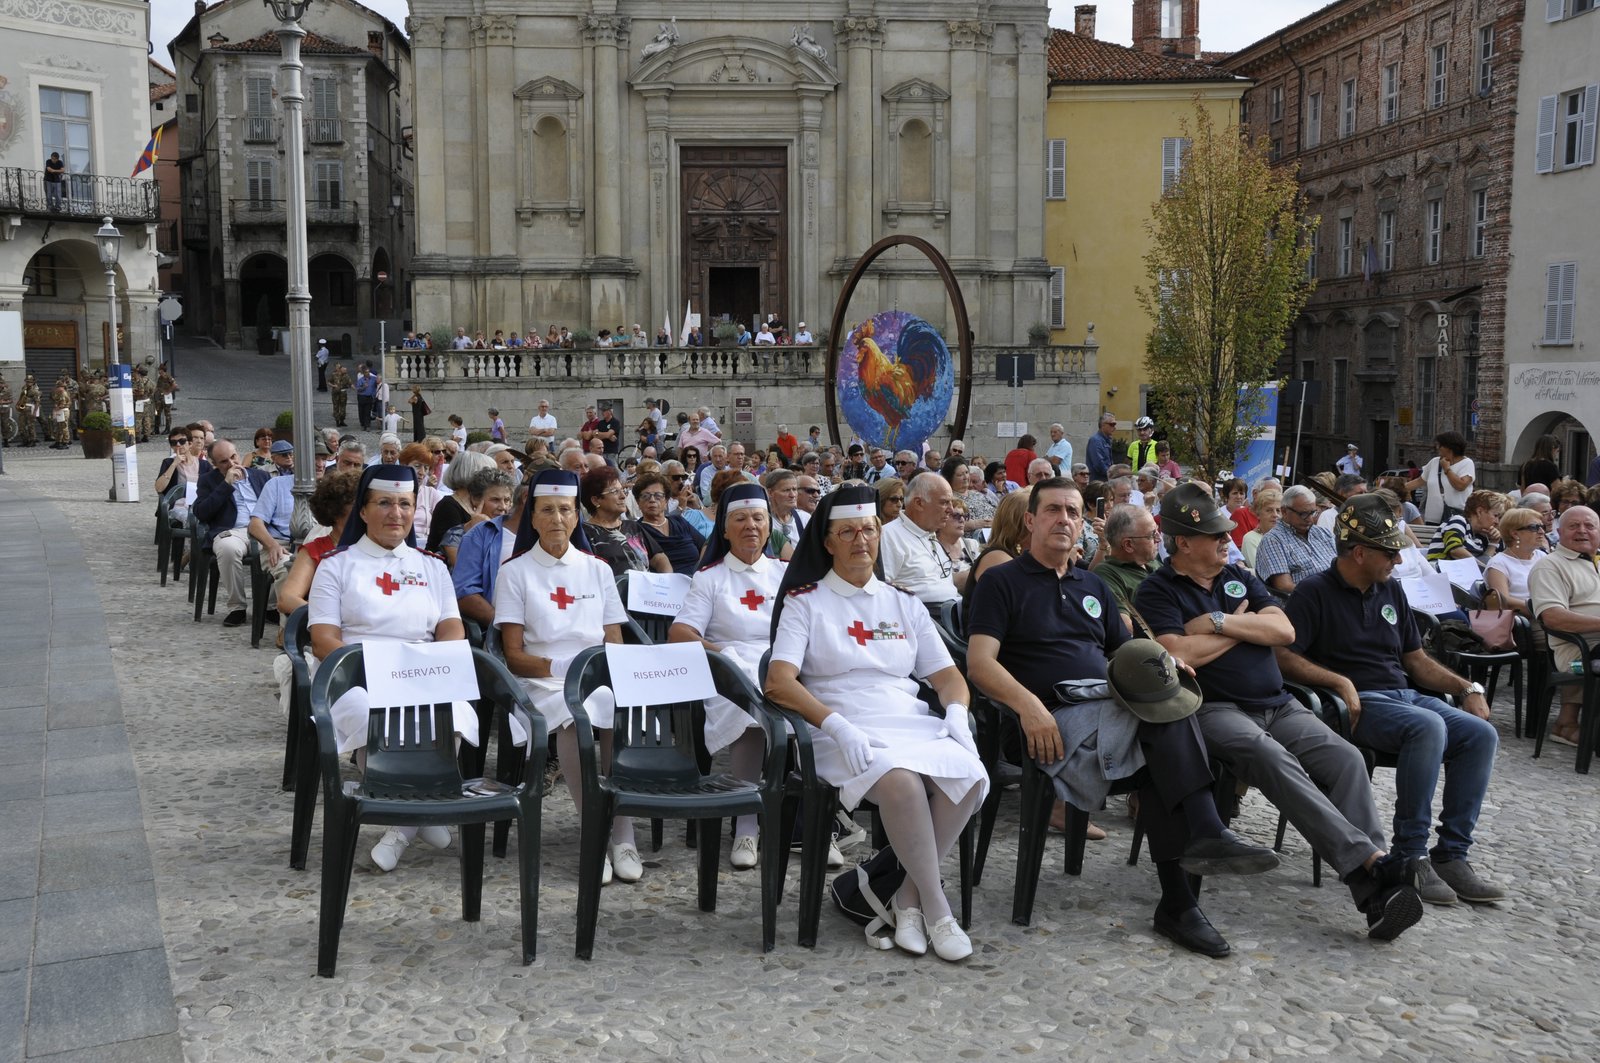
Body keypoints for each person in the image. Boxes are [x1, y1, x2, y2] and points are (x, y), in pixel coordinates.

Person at [966, 477, 1278, 958]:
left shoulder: (1090, 585)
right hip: (1046, 720)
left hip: (1110, 710)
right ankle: (1200, 852)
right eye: (1052, 510)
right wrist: (1029, 707)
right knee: (1165, 726)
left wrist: (1164, 663)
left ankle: (1183, 896)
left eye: (1073, 511)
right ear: (1030, 521)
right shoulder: (1002, 583)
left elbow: (1123, 650)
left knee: (1170, 711)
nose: (1064, 520)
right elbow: (980, 664)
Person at [1132, 484, 1428, 941]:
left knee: (1347, 760)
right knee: (1272, 758)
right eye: (1215, 535)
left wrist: (1218, 623)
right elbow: (1174, 649)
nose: (1227, 540)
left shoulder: (1238, 577)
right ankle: (1375, 871)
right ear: (1184, 542)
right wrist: (1248, 628)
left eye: (1226, 532)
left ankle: (1374, 886)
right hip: (1213, 709)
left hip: (1279, 703)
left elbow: (1285, 630)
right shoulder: (1158, 589)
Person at [764, 485, 990, 961]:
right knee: (903, 784)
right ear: (827, 542)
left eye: (868, 529)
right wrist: (836, 726)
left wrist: (956, 712)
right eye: (847, 531)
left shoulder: (903, 602)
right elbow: (779, 682)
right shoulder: (805, 603)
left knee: (967, 775)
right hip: (840, 728)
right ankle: (940, 911)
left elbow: (948, 675)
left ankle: (908, 901)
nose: (860, 540)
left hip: (905, 718)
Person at [1277, 495, 1505, 906]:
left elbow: (1415, 660)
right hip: (1353, 704)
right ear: (1359, 552)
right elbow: (1284, 656)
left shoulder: (1390, 590)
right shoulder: (1313, 592)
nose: (1398, 561)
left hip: (1402, 696)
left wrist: (1465, 688)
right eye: (1390, 552)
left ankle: (1452, 854)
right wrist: (1338, 681)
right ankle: (1409, 854)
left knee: (1480, 734)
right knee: (1428, 726)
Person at [308, 464, 473, 872]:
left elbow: (451, 626)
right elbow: (324, 638)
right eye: (384, 503)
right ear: (363, 511)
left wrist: (437, 661)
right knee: (368, 711)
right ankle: (420, 814)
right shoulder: (336, 565)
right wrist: (374, 670)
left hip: (421, 671)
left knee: (454, 712)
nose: (395, 513)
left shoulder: (432, 566)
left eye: (404, 504)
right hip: (356, 674)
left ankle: (403, 824)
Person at [495, 470, 640, 884]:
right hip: (543, 680)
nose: (557, 518)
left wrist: (602, 672)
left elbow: (614, 641)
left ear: (576, 516)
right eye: (547, 510)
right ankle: (597, 831)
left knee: (615, 705)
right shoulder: (515, 572)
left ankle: (622, 832)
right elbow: (513, 655)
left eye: (564, 510)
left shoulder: (596, 570)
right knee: (572, 713)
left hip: (595, 674)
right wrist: (560, 668)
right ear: (533, 518)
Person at [668, 483, 791, 868]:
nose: (750, 526)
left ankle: (805, 823)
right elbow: (681, 632)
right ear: (724, 529)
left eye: (758, 518)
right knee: (749, 703)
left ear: (770, 525)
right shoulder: (710, 577)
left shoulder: (787, 573)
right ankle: (746, 823)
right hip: (731, 669)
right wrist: (725, 654)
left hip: (782, 664)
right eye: (739, 519)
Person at [1528, 506, 1600, 748]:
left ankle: (1568, 723)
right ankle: (1569, 724)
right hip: (1579, 650)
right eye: (1574, 526)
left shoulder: (1596, 561)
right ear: (1559, 532)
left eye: (1589, 526)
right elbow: (1553, 618)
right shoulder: (1550, 566)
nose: (1582, 531)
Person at [194, 439, 276, 627]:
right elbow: (201, 512)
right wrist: (226, 484)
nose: (232, 464)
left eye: (233, 457)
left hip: (264, 529)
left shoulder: (260, 477)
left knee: (287, 552)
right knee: (227, 548)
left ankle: (271, 606)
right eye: (224, 461)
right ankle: (237, 607)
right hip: (232, 531)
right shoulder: (208, 480)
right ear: (214, 464)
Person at [879, 472, 963, 604]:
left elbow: (939, 582)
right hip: (924, 616)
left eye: (951, 503)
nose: (951, 510)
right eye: (944, 502)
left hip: (953, 610)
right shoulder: (889, 536)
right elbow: (881, 591)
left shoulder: (929, 532)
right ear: (918, 503)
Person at [580, 465, 667, 576]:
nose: (623, 496)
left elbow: (660, 558)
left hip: (647, 590)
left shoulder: (633, 526)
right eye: (615, 492)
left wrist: (665, 582)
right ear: (596, 500)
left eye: (622, 490)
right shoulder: (585, 533)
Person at [1254, 484, 1337, 595]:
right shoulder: (1273, 540)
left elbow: (1342, 568)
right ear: (1284, 512)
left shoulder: (1322, 533)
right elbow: (1284, 586)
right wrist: (1324, 593)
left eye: (1313, 512)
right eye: (1303, 514)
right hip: (1305, 603)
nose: (1310, 519)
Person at [1092, 503, 1161, 633]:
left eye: (1157, 531)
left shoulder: (1154, 563)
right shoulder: (1107, 573)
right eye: (1151, 535)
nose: (1159, 538)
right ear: (1128, 545)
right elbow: (1126, 627)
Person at [635, 470, 707, 575]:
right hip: (664, 585)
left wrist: (701, 569)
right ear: (638, 502)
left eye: (658, 495)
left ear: (666, 500)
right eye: (645, 496)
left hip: (698, 580)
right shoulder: (637, 531)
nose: (652, 500)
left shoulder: (679, 522)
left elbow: (706, 545)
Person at [426, 450, 496, 554]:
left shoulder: (476, 504)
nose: (493, 479)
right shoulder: (448, 506)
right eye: (489, 474)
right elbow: (452, 547)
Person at [1484, 508, 1548, 619]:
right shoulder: (1498, 564)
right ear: (1515, 534)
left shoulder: (1541, 556)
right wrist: (1543, 610)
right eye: (1534, 528)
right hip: (1527, 621)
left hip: (1552, 612)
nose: (1542, 531)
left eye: (1542, 527)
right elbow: (1503, 600)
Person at [1406, 431, 1475, 523]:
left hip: (1455, 519)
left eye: (1440, 445)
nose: (1437, 448)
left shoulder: (1467, 463)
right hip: (1432, 520)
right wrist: (1395, 488)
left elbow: (1461, 486)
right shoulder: (1434, 462)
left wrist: (1447, 469)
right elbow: (1419, 481)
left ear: (1449, 448)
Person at [1426, 489, 1506, 562]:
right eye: (1495, 516)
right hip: (1441, 572)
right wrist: (1480, 567)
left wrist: (1493, 543)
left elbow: (1485, 560)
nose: (1497, 522)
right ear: (1479, 512)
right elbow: (1455, 550)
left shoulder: (1478, 537)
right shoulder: (1458, 520)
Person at [1240, 487, 1282, 569]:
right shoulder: (1251, 539)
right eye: (1269, 510)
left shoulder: (1288, 535)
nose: (1275, 515)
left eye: (1278, 510)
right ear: (1258, 514)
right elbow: (1263, 572)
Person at [1086, 412, 1116, 481]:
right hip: (1098, 482)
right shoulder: (1095, 440)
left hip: (1105, 481)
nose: (1114, 428)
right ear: (1103, 425)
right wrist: (1112, 475)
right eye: (1112, 424)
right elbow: (1099, 464)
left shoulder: (1106, 440)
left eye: (1114, 424)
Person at [354, 363, 377, 430]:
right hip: (362, 397)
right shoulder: (361, 380)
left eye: (368, 372)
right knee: (361, 411)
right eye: (366, 372)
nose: (368, 373)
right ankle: (362, 423)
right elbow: (358, 389)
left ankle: (367, 425)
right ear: (363, 373)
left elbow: (377, 384)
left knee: (367, 411)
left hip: (369, 397)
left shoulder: (373, 378)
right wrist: (364, 387)